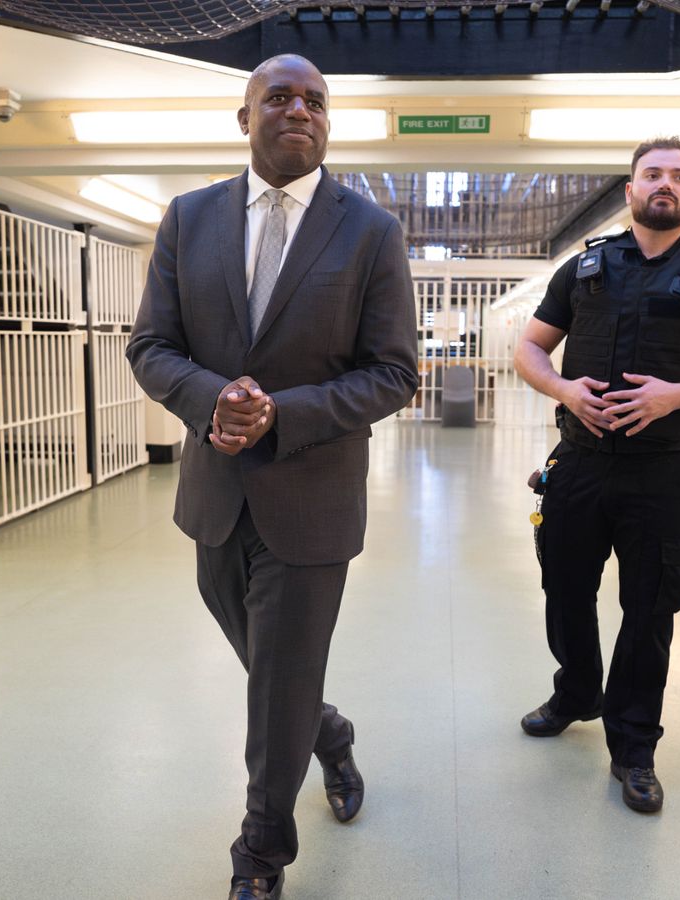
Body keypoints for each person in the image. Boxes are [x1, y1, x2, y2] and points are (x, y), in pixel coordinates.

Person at [126, 54, 418, 900]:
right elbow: (151, 346)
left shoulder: (371, 232)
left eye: (317, 100)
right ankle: (328, 730)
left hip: (312, 499)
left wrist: (281, 414)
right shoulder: (189, 219)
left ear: (329, 122)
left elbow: (393, 372)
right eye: (281, 97)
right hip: (216, 498)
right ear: (244, 116)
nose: (301, 109)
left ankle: (260, 853)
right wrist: (220, 398)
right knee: (275, 674)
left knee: (275, 690)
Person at [512, 136, 680, 814]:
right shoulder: (586, 269)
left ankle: (634, 748)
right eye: (652, 174)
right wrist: (565, 392)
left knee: (650, 607)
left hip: (662, 473)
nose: (665, 184)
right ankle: (577, 692)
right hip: (577, 462)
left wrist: (677, 395)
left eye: (679, 176)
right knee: (565, 588)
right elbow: (530, 349)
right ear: (631, 189)